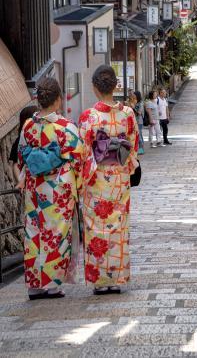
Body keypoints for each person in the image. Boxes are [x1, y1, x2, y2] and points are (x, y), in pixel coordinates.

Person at [18, 78, 83, 300]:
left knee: (34, 234)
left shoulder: (28, 126)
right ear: (58, 100)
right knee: (56, 234)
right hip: (58, 190)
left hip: (35, 189)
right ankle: (52, 284)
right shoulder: (66, 127)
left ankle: (35, 285)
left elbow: (21, 158)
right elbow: (77, 160)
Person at [78, 65, 138, 295]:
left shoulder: (88, 117)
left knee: (96, 228)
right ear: (116, 86)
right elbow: (131, 147)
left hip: (96, 179)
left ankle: (100, 281)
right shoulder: (128, 114)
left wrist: (80, 179)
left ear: (94, 88)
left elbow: (84, 152)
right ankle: (116, 277)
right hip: (119, 178)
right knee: (118, 227)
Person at [9, 104, 38, 183]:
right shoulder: (19, 141)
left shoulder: (43, 136)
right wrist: (21, 182)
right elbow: (16, 164)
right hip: (28, 181)